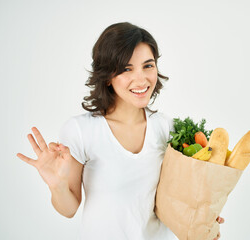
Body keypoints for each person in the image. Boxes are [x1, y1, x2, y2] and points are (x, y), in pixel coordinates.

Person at [17, 22, 224, 240]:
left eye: (148, 65)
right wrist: (57, 186)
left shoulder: (165, 128)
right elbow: (69, 209)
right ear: (107, 75)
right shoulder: (81, 130)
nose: (141, 79)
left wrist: (202, 215)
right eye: (127, 69)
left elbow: (175, 197)